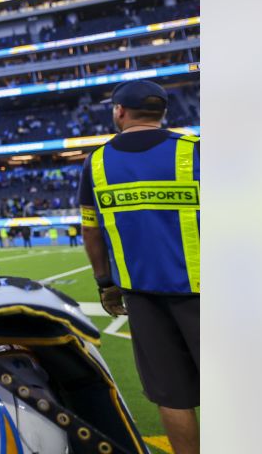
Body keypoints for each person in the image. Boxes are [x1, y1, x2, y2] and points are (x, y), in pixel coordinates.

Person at [79, 80, 200, 454]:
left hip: (142, 296)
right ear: (163, 113)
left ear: (119, 111)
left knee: (173, 396)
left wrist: (105, 283)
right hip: (205, 289)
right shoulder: (194, 150)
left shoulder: (96, 162)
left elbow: (91, 231)